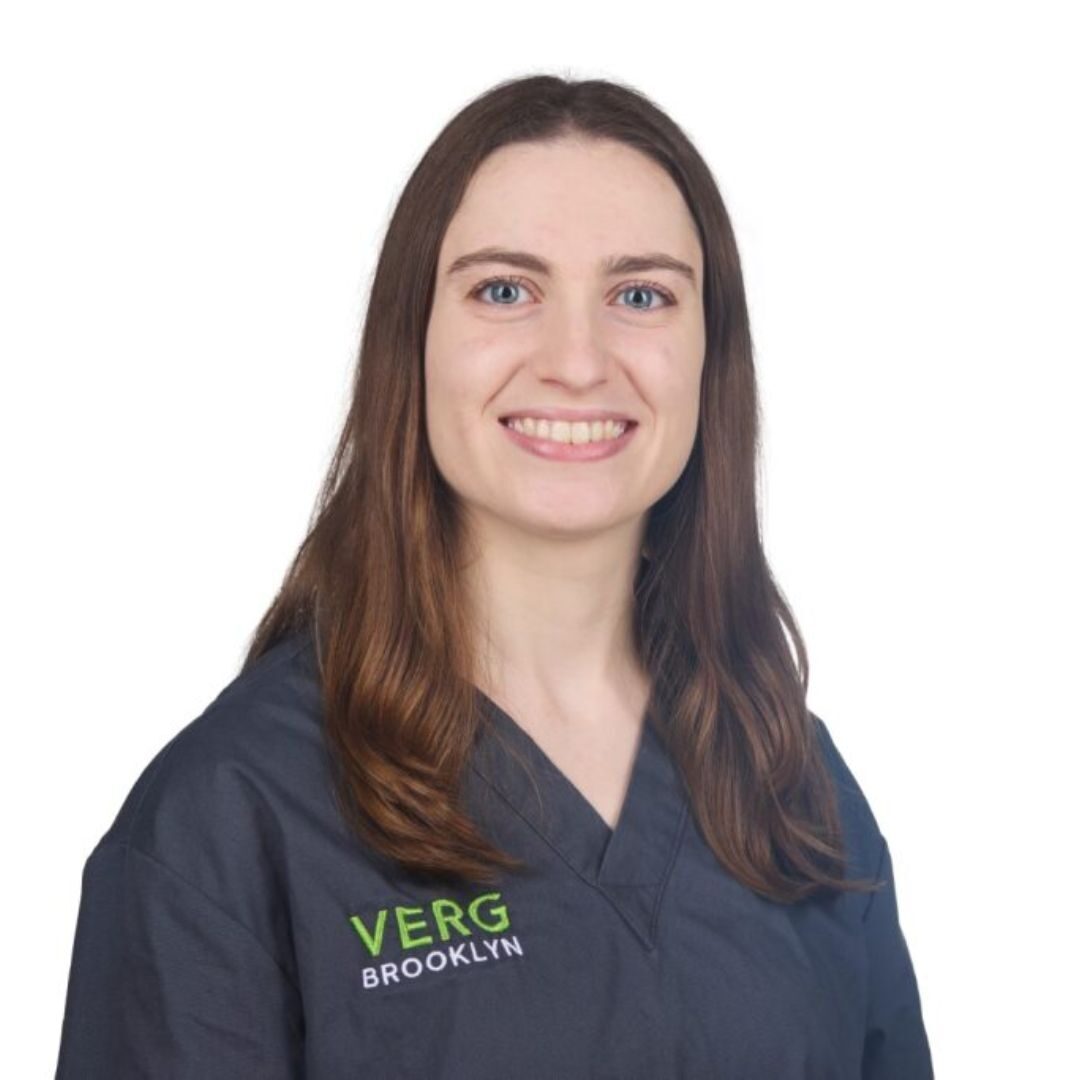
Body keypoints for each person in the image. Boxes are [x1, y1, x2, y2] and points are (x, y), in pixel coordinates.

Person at [53, 74, 934, 1078]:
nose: (577, 360)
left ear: (710, 354)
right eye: (505, 291)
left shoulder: (794, 787)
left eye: (640, 295)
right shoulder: (228, 818)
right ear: (412, 345)